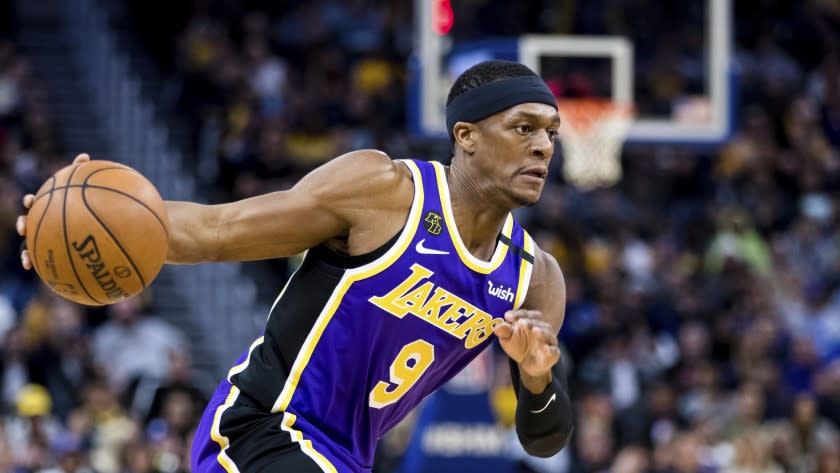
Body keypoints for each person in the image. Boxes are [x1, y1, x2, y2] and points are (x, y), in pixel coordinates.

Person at [16, 60, 574, 472]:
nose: (544, 146)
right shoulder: (385, 191)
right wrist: (93, 221)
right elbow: (217, 231)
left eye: (550, 132)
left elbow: (545, 439)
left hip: (345, 458)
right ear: (467, 137)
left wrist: (535, 373)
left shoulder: (536, 279)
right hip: (263, 425)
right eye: (523, 127)